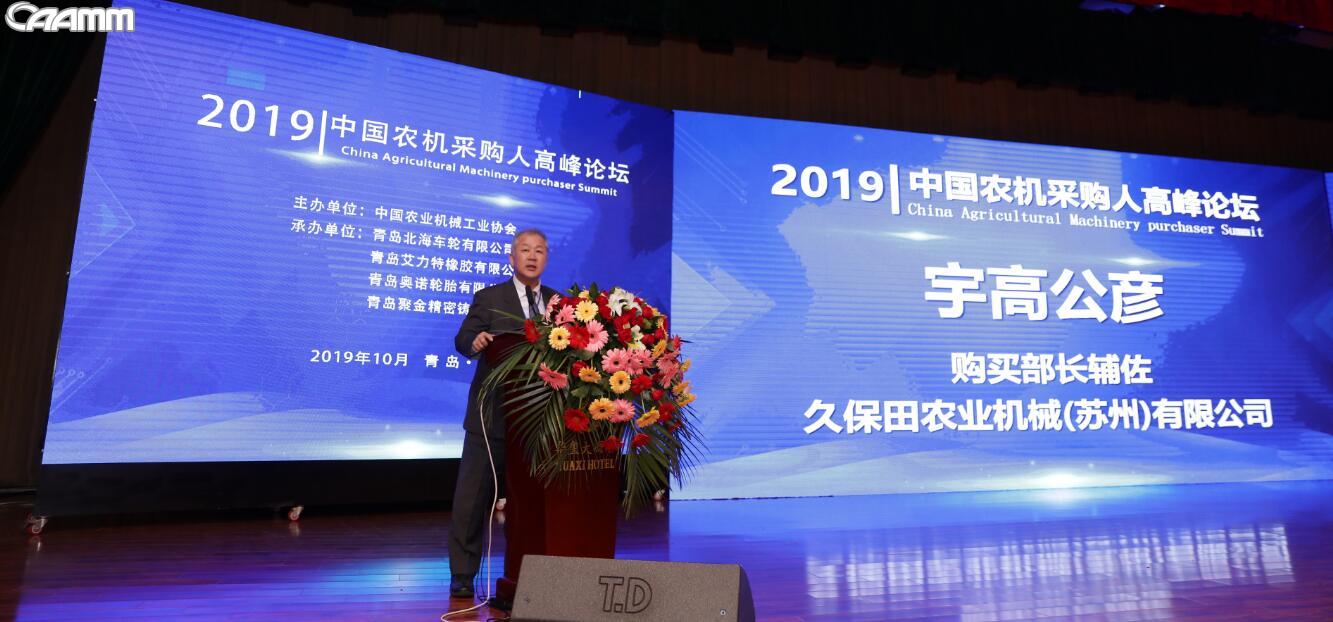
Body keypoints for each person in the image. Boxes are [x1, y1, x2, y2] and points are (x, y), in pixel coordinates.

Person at [448, 228, 558, 600]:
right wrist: (476, 341)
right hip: (491, 415)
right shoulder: (490, 297)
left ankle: (527, 571)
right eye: (525, 250)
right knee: (471, 500)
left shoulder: (559, 303)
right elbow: (463, 339)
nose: (532, 256)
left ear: (546, 258)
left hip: (537, 421)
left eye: (539, 250)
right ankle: (463, 574)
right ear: (512, 258)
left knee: (529, 506)